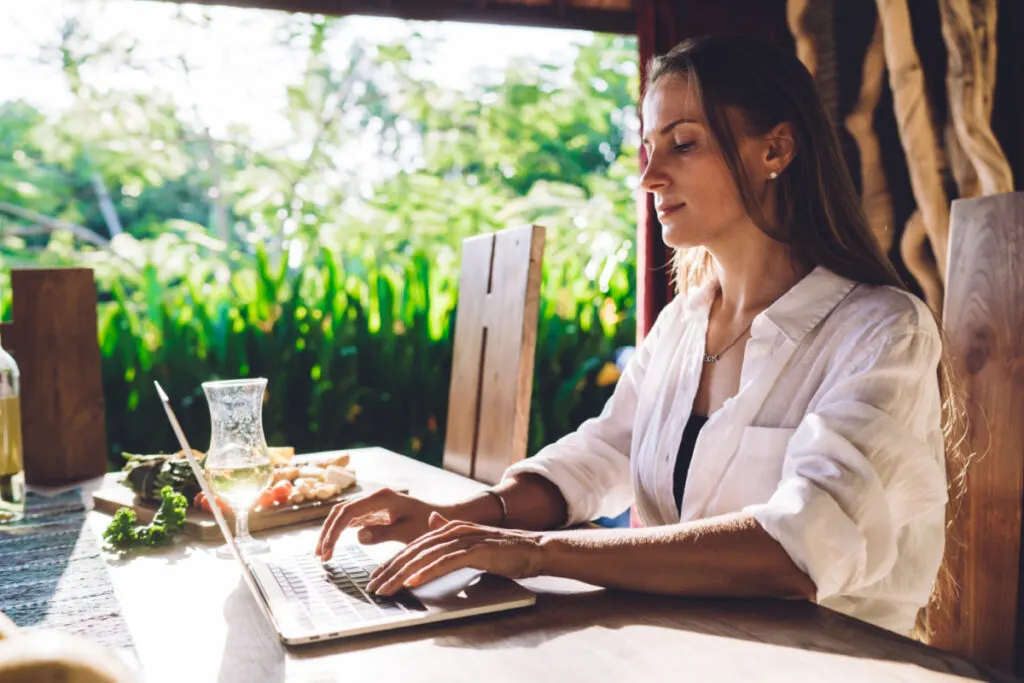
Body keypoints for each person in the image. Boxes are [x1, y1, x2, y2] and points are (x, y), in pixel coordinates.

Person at [316, 34, 962, 637]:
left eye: (683, 144)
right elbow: (603, 453)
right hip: (675, 649)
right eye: (648, 149)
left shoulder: (881, 330)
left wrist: (537, 552)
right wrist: (457, 516)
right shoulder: (685, 320)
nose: (650, 178)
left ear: (776, 149)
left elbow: (796, 547)